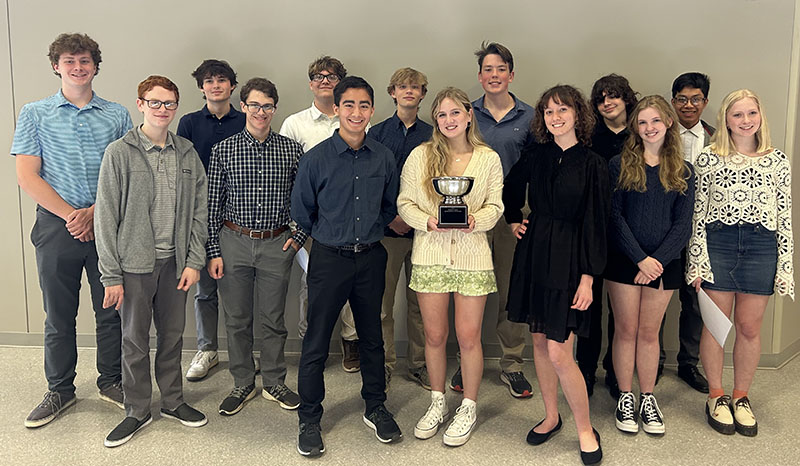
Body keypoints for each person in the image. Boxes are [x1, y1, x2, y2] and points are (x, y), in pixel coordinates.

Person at [11, 33, 131, 428]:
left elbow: (125, 174)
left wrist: (96, 213)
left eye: (84, 60)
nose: (77, 67)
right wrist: (71, 215)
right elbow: (27, 175)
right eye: (69, 60)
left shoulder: (117, 115)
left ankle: (111, 380)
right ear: (55, 66)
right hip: (55, 227)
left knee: (110, 309)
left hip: (107, 225)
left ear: (95, 66)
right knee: (58, 315)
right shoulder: (34, 113)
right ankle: (60, 389)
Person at [95, 75, 209, 447]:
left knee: (173, 336)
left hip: (176, 263)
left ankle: (174, 402)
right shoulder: (120, 152)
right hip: (133, 266)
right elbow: (106, 217)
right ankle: (137, 409)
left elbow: (198, 213)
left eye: (170, 104)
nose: (163, 110)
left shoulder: (187, 153)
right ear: (140, 104)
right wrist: (111, 274)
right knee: (134, 339)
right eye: (155, 103)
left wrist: (194, 259)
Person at [292, 76, 401, 456]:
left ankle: (376, 406)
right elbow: (302, 210)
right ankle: (309, 417)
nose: (357, 112)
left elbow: (390, 206)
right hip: (329, 259)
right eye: (349, 105)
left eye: (364, 105)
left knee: (372, 337)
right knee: (316, 340)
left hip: (371, 257)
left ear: (372, 110)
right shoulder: (316, 159)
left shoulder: (384, 157)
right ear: (336, 109)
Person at [504, 85, 608, 465]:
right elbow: (509, 189)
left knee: (560, 350)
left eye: (562, 109)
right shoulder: (537, 155)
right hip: (535, 252)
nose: (555, 116)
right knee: (538, 342)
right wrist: (514, 219)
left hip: (571, 258)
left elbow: (597, 223)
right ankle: (551, 416)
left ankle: (584, 428)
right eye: (549, 111)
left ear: (577, 114)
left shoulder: (593, 163)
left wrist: (588, 277)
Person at [398, 87, 504, 446]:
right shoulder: (420, 155)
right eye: (441, 115)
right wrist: (428, 221)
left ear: (469, 115)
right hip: (429, 255)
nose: (448, 120)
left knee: (470, 338)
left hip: (473, 257)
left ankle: (469, 406)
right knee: (434, 336)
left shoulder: (488, 158)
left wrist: (476, 220)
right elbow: (405, 202)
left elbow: (496, 206)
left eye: (455, 113)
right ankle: (438, 401)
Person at [687, 89, 794, 437]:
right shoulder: (708, 159)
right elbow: (697, 217)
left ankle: (741, 396)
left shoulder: (777, 160)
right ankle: (716, 396)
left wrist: (785, 265)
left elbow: (786, 217)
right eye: (737, 115)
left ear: (760, 116)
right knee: (716, 328)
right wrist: (698, 260)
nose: (745, 121)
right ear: (725, 120)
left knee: (749, 328)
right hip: (718, 244)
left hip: (762, 247)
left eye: (751, 113)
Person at [207, 78, 304, 416]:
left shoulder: (291, 150)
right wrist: (213, 251)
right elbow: (212, 205)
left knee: (274, 319)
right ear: (244, 106)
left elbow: (303, 201)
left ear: (274, 109)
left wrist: (298, 237)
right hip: (233, 242)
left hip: (277, 243)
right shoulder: (224, 150)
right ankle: (243, 383)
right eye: (254, 105)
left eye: (267, 106)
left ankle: (275, 382)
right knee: (236, 319)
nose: (261, 112)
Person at [605, 96, 695, 436]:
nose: (649, 128)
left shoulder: (684, 170)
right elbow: (614, 217)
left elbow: (682, 225)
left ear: (668, 123)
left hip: (665, 263)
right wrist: (640, 258)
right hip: (625, 261)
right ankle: (625, 396)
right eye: (642, 122)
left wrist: (656, 261)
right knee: (625, 330)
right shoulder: (619, 165)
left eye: (655, 121)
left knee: (648, 332)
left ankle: (647, 397)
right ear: (635, 127)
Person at [280, 56, 361, 372]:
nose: (324, 80)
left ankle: (351, 341)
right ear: (310, 82)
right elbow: (285, 174)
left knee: (354, 282)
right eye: (318, 75)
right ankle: (311, 341)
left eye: (332, 76)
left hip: (352, 218)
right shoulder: (295, 124)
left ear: (341, 81)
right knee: (312, 283)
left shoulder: (355, 118)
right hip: (311, 221)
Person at [467, 41, 535, 398]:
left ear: (511, 74)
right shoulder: (465, 114)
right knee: (470, 290)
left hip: (512, 218)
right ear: (480, 77)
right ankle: (469, 362)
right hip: (472, 216)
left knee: (511, 291)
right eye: (487, 70)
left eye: (500, 69)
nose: (494, 75)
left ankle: (511, 364)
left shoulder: (530, 116)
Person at [176, 59, 246, 382]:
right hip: (199, 215)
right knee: (205, 289)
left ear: (232, 85)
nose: (216, 85)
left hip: (237, 218)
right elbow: (183, 170)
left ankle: (241, 353)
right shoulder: (189, 124)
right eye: (209, 80)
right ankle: (207, 349)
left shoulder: (247, 120)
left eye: (222, 80)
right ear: (201, 87)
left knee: (236, 290)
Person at [369, 67, 433, 390]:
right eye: (402, 86)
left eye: (415, 87)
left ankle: (420, 364)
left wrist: (419, 218)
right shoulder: (377, 134)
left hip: (425, 233)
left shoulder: (435, 135)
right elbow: (368, 181)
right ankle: (385, 363)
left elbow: (439, 184)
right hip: (388, 232)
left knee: (420, 305)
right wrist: (389, 217)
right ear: (392, 92)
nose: (409, 91)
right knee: (383, 305)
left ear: (423, 93)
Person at [578, 74, 638, 399]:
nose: (607, 103)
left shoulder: (641, 134)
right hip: (593, 231)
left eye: (613, 96)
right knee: (588, 308)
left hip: (629, 234)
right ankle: (585, 370)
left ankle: (617, 372)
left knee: (622, 313)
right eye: (601, 98)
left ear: (627, 98)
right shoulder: (589, 136)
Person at [666, 72, 716, 394]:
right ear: (673, 102)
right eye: (682, 99)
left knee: (697, 302)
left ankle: (688, 363)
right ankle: (653, 359)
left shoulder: (718, 137)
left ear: (705, 102)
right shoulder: (659, 133)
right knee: (655, 299)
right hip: (666, 230)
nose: (688, 105)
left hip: (705, 232)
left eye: (695, 99)